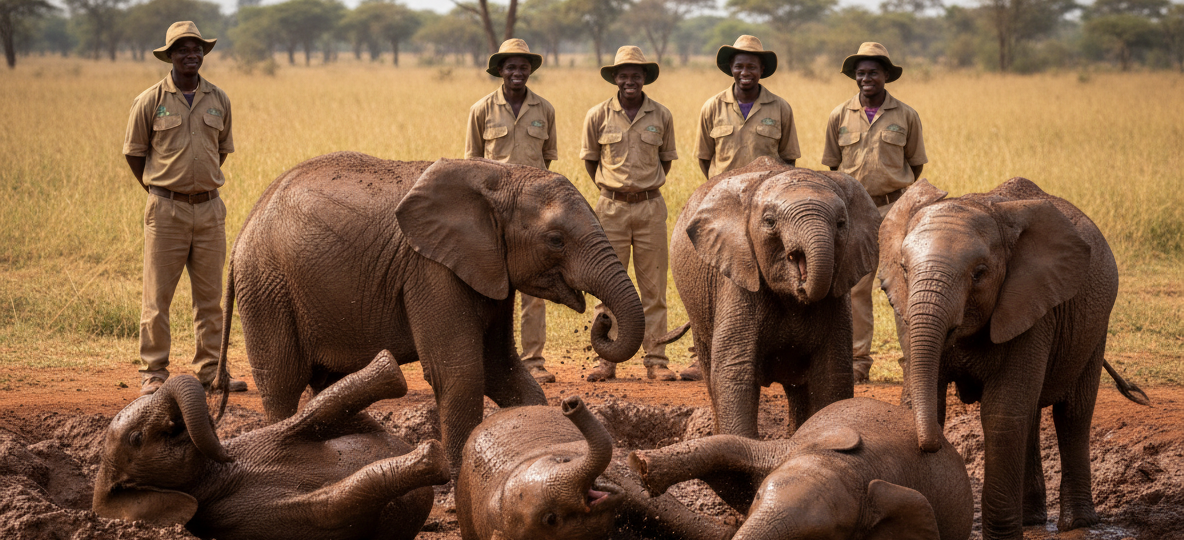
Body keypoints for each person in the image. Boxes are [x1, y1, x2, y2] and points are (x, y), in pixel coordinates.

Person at [123, 21, 247, 395]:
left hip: (210, 210)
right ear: (171, 56)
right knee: (157, 298)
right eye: (182, 49)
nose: (190, 55)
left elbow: (221, 150)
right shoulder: (150, 100)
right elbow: (134, 154)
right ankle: (154, 374)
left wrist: (199, 185)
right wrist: (160, 188)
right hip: (165, 211)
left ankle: (211, 372)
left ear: (202, 54)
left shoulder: (219, 99)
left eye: (196, 49)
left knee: (210, 299)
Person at [684, 34, 801, 381]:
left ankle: (769, 347)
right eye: (739, 65)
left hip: (768, 213)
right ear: (731, 69)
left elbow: (790, 160)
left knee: (769, 278)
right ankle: (701, 352)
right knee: (710, 283)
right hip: (727, 210)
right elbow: (705, 160)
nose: (745, 71)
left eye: (751, 65)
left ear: (761, 69)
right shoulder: (712, 107)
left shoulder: (780, 108)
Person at [821, 42, 927, 383]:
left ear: (886, 76)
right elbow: (832, 166)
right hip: (854, 210)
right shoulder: (839, 115)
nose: (867, 78)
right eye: (861, 73)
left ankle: (913, 362)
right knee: (855, 286)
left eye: (874, 73)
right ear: (855, 77)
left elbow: (915, 164)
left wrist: (896, 197)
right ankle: (857, 362)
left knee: (902, 283)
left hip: (896, 208)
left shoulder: (906, 115)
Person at [580, 46, 679, 382]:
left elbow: (665, 160)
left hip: (651, 207)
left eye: (636, 74)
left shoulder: (662, 115)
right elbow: (591, 161)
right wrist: (616, 190)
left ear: (644, 78)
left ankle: (656, 360)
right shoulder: (597, 115)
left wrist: (642, 188)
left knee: (653, 290)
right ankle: (606, 360)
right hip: (609, 210)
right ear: (615, 78)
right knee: (607, 287)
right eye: (623, 74)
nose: (629, 80)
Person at [464, 38, 559, 384]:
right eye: (510, 67)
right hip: (492, 214)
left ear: (529, 70)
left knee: (534, 287)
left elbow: (547, 160)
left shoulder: (545, 110)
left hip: (532, 214)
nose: (517, 72)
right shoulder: (481, 109)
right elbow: (472, 161)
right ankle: (485, 359)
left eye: (522, 66)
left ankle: (534, 361)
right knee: (486, 284)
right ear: (500, 71)